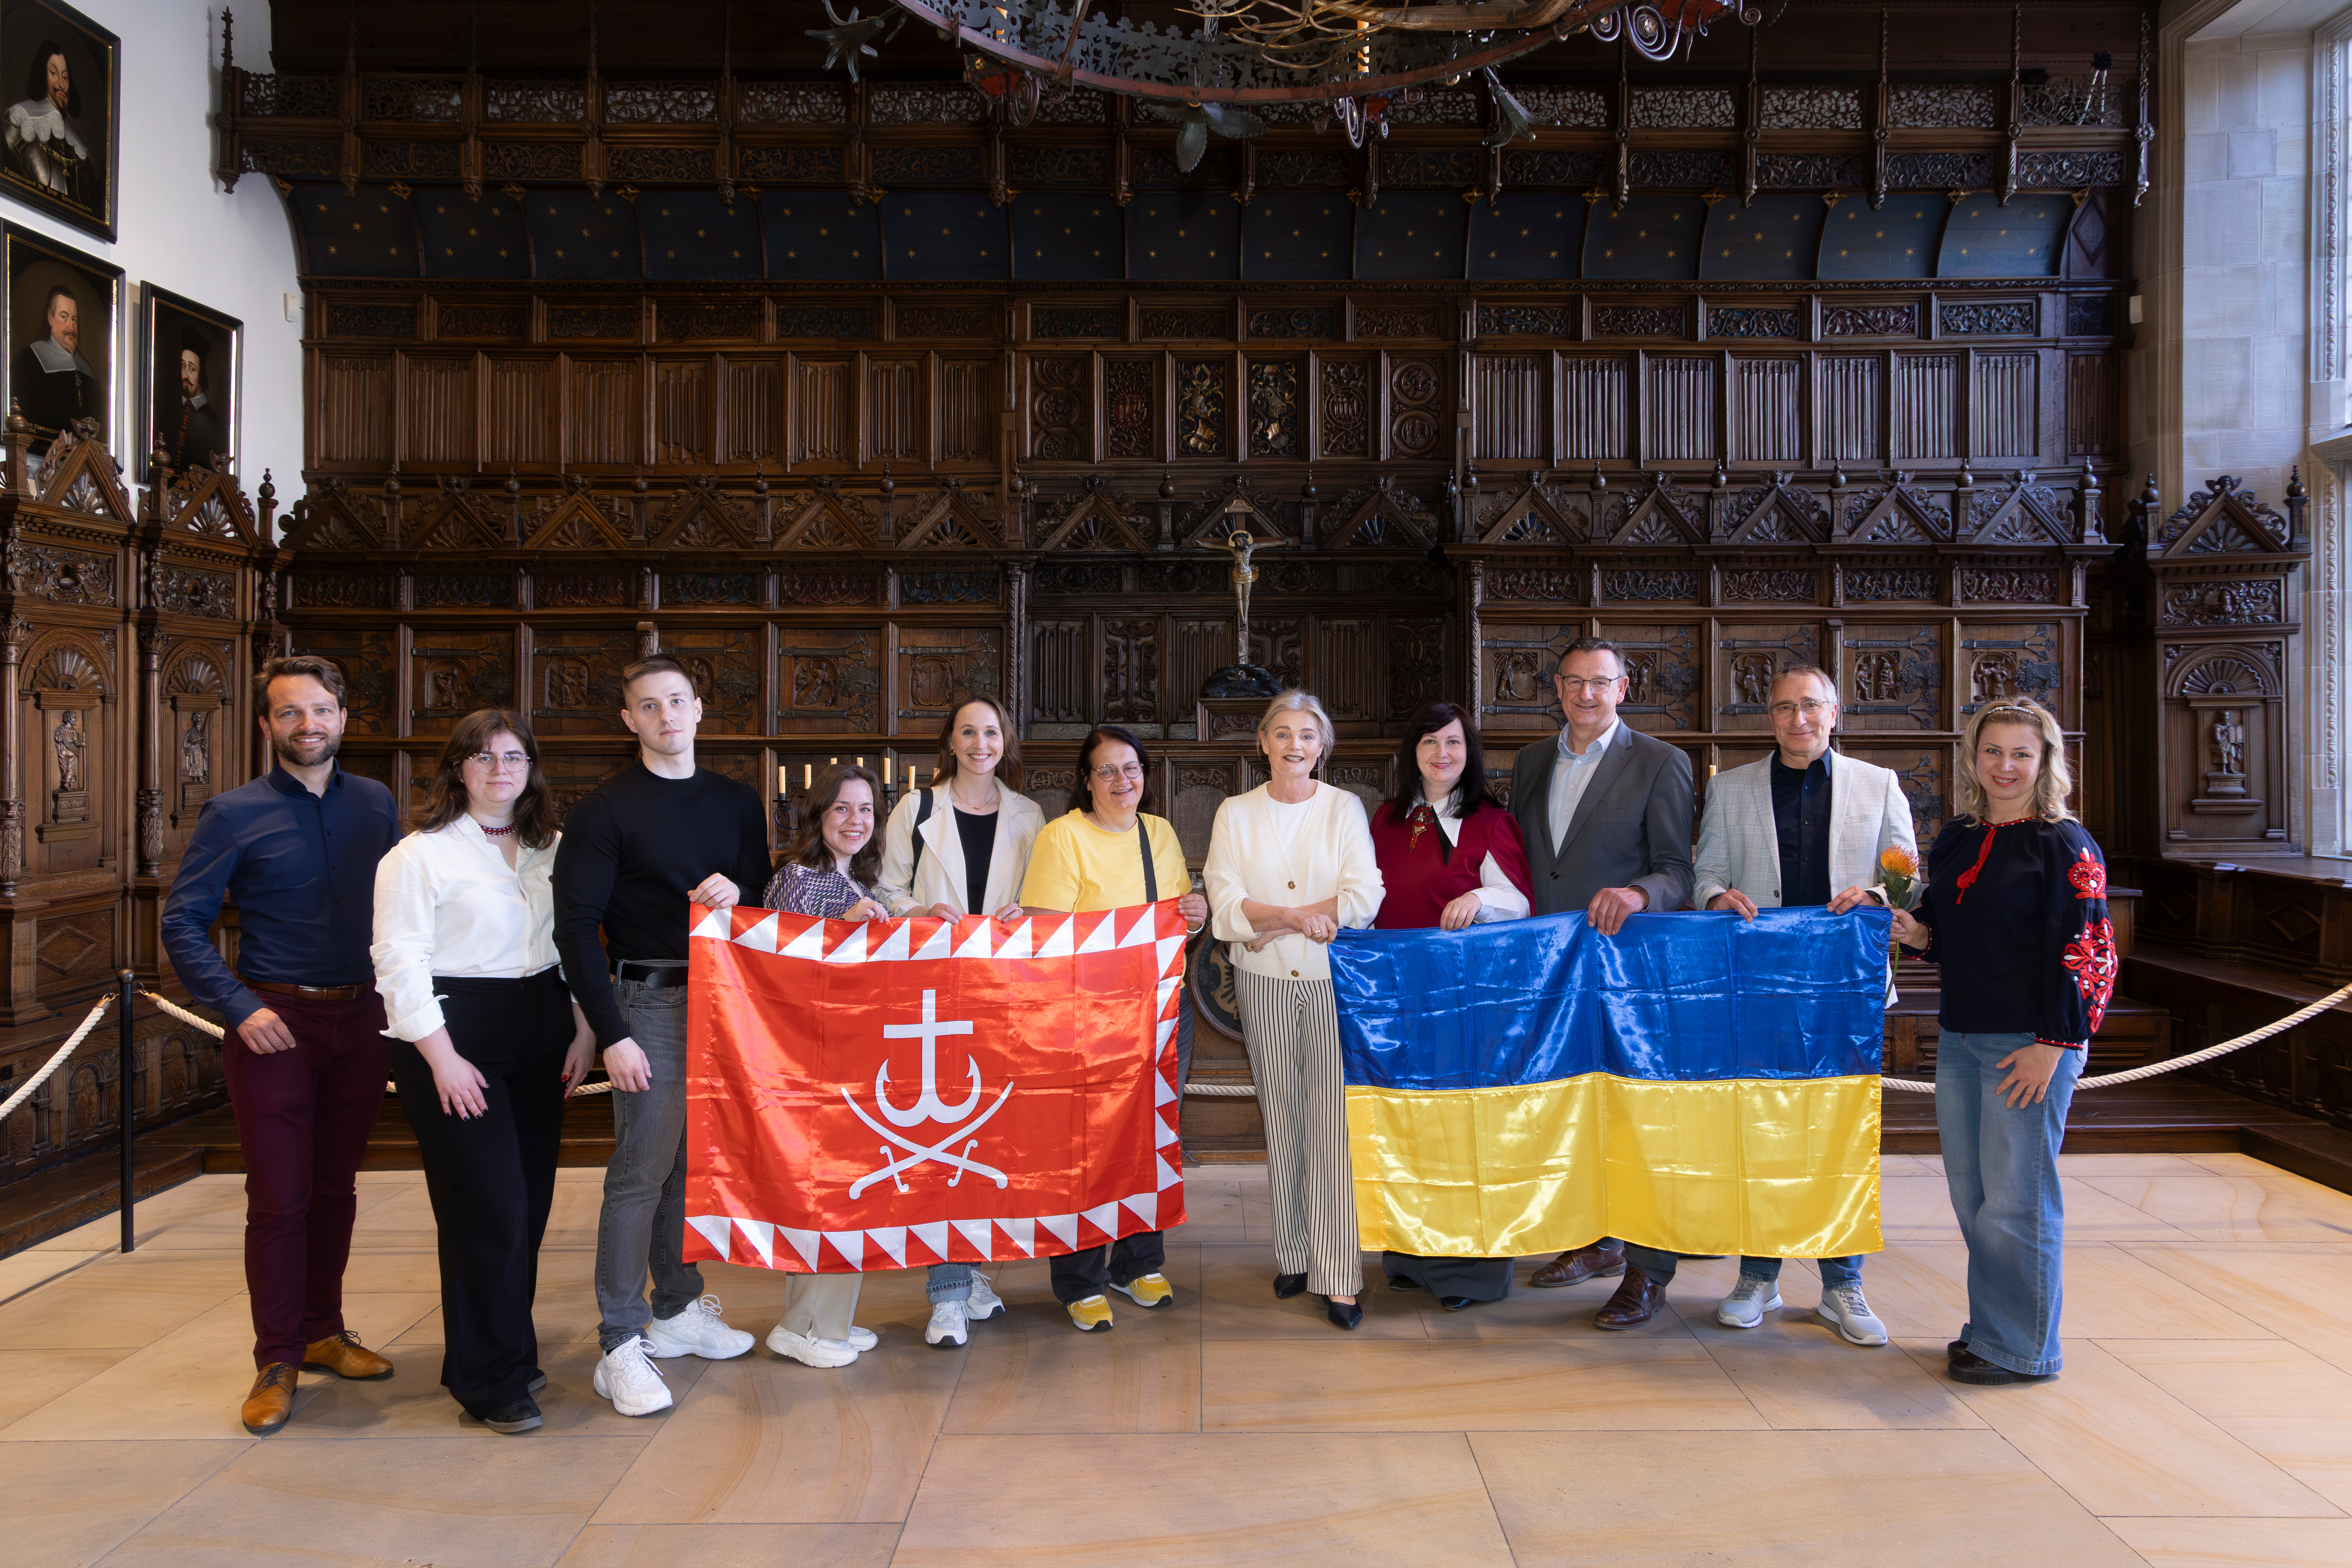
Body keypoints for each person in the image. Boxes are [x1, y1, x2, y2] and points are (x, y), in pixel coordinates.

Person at [160, 655, 402, 1437]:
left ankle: (325, 1330)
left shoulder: (375, 803)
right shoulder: (231, 812)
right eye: (291, 713)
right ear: (267, 725)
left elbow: (403, 912)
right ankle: (276, 1357)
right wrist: (236, 1006)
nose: (309, 725)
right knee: (279, 1198)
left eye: (321, 710)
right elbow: (181, 922)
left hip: (362, 1018)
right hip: (275, 1025)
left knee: (336, 1189)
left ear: (341, 717)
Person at [553, 653, 771, 1416]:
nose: (665, 716)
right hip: (647, 1000)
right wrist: (610, 1032)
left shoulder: (737, 802)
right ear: (629, 720)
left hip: (724, 1000)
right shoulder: (605, 809)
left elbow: (759, 896)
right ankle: (620, 1340)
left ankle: (676, 1308)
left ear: (699, 708)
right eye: (648, 706)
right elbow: (575, 929)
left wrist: (739, 891)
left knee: (691, 1167)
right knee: (641, 1169)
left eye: (676, 701)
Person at [371, 710, 596, 1434]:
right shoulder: (418, 856)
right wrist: (440, 1057)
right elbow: (398, 962)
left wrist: (587, 1030)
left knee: (525, 1208)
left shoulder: (554, 848)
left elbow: (577, 944)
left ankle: (497, 1349)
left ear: (531, 768)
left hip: (542, 1032)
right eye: (482, 756)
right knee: (488, 1208)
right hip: (454, 1038)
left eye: (514, 756)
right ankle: (488, 1381)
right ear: (457, 769)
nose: (500, 769)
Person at [1680, 664, 1916, 1343]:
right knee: (1762, 1129)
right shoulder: (1730, 788)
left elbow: (1906, 878)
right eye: (1783, 707)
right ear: (1770, 716)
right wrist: (1717, 897)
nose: (1797, 718)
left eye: (1809, 705)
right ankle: (1758, 1274)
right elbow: (1707, 873)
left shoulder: (1878, 786)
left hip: (1844, 988)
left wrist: (1877, 895)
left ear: (1834, 711)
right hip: (1761, 986)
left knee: (1840, 1134)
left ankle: (1843, 1283)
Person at [1891, 697, 2115, 1387]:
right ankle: (1991, 1329)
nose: (2005, 765)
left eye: (2021, 752)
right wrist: (1908, 928)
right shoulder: (1957, 835)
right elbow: (1944, 933)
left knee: (2017, 1200)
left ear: (2044, 760)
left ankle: (2022, 1348)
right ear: (1973, 759)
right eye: (1993, 752)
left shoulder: (2063, 842)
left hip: (2031, 1039)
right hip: (1960, 1036)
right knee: (1976, 1199)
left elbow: (2092, 951)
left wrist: (2055, 1041)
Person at [1509, 638, 1695, 1295]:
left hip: (1624, 967)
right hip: (1548, 969)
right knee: (1568, 1106)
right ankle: (1591, 1240)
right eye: (1572, 682)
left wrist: (1637, 893)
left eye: (1600, 682)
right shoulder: (1530, 761)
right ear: (1556, 689)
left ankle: (1647, 1271)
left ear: (1623, 688)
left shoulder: (1659, 761)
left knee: (1636, 1115)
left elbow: (1677, 870)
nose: (1585, 694)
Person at [1202, 692, 1385, 1330]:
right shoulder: (1235, 811)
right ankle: (1295, 1250)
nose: (1294, 745)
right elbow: (1224, 894)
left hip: (1328, 979)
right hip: (1260, 981)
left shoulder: (1343, 808)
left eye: (1307, 734)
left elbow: (1364, 892)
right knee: (1280, 1112)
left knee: (1330, 1122)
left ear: (1321, 744)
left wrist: (1278, 921)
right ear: (1262, 742)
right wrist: (1288, 917)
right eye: (1282, 733)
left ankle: (1338, 1273)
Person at [1020, 724, 1209, 1332]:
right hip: (1086, 1020)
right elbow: (1048, 935)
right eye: (1107, 770)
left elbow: (1176, 925)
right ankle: (1079, 1278)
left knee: (1150, 1137)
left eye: (1131, 768)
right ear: (1086, 779)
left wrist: (1195, 914)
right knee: (1084, 1144)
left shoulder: (1158, 832)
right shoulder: (1062, 837)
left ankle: (1137, 1262)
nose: (1122, 780)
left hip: (1158, 1015)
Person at [873, 694, 1042, 1349]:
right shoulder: (915, 809)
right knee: (942, 1132)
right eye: (967, 731)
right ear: (950, 740)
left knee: (988, 1136)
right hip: (931, 991)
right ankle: (945, 1294)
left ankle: (968, 1267)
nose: (980, 742)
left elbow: (1046, 897)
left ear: (1006, 740)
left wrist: (1025, 911)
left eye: (991, 731)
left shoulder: (1028, 814)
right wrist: (920, 912)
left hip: (1001, 990)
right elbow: (885, 891)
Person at [1367, 703, 1533, 1311]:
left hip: (1465, 1001)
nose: (1442, 753)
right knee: (1407, 1124)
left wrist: (1477, 895)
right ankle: (1410, 1254)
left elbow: (1517, 901)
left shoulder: (1489, 820)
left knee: (1465, 1130)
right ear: (1412, 749)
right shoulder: (1385, 818)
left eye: (1454, 743)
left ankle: (1470, 1272)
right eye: (1430, 741)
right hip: (1397, 995)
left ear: (1470, 752)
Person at [761, 763, 892, 1367]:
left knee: (849, 1192)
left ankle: (823, 1316)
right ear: (817, 816)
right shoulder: (798, 879)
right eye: (841, 808)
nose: (855, 820)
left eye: (865, 809)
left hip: (855, 1056)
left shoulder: (861, 882)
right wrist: (845, 931)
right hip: (812, 1061)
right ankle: (807, 1326)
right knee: (829, 1191)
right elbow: (781, 971)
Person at [11, 282, 101, 441]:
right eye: (64, 317)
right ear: (50, 318)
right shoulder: (29, 360)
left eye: (74, 319)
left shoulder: (86, 369)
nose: (70, 327)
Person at [5, 41, 87, 203]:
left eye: (65, 77)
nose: (61, 85)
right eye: (54, 73)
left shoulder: (76, 142)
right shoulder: (18, 117)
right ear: (43, 74)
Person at [159, 329, 228, 471]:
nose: (186, 375)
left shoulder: (213, 425)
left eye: (192, 368)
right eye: (184, 366)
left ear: (202, 374)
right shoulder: (169, 414)